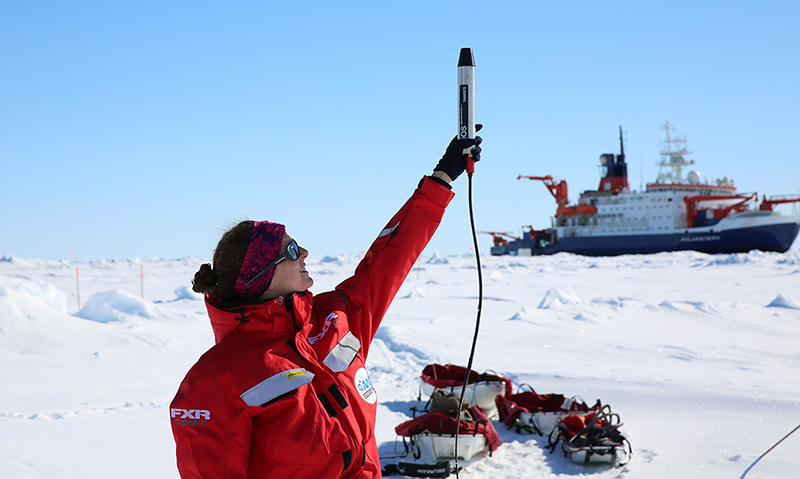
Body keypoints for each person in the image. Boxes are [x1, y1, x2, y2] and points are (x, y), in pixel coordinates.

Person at [170, 134, 482, 479]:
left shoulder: (335, 318)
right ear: (261, 277)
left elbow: (389, 259)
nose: (304, 253)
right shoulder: (215, 380)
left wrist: (441, 179)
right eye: (291, 251)